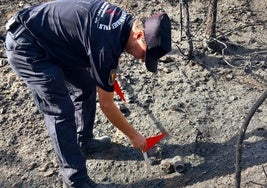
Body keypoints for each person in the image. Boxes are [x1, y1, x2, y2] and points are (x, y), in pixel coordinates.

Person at [4, 0, 171, 187]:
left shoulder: (121, 22)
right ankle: (76, 180)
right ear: (140, 35)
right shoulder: (106, 45)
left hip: (50, 41)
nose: (142, 60)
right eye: (145, 55)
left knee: (84, 85)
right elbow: (107, 105)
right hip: (27, 46)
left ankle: (84, 141)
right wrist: (134, 135)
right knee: (61, 111)